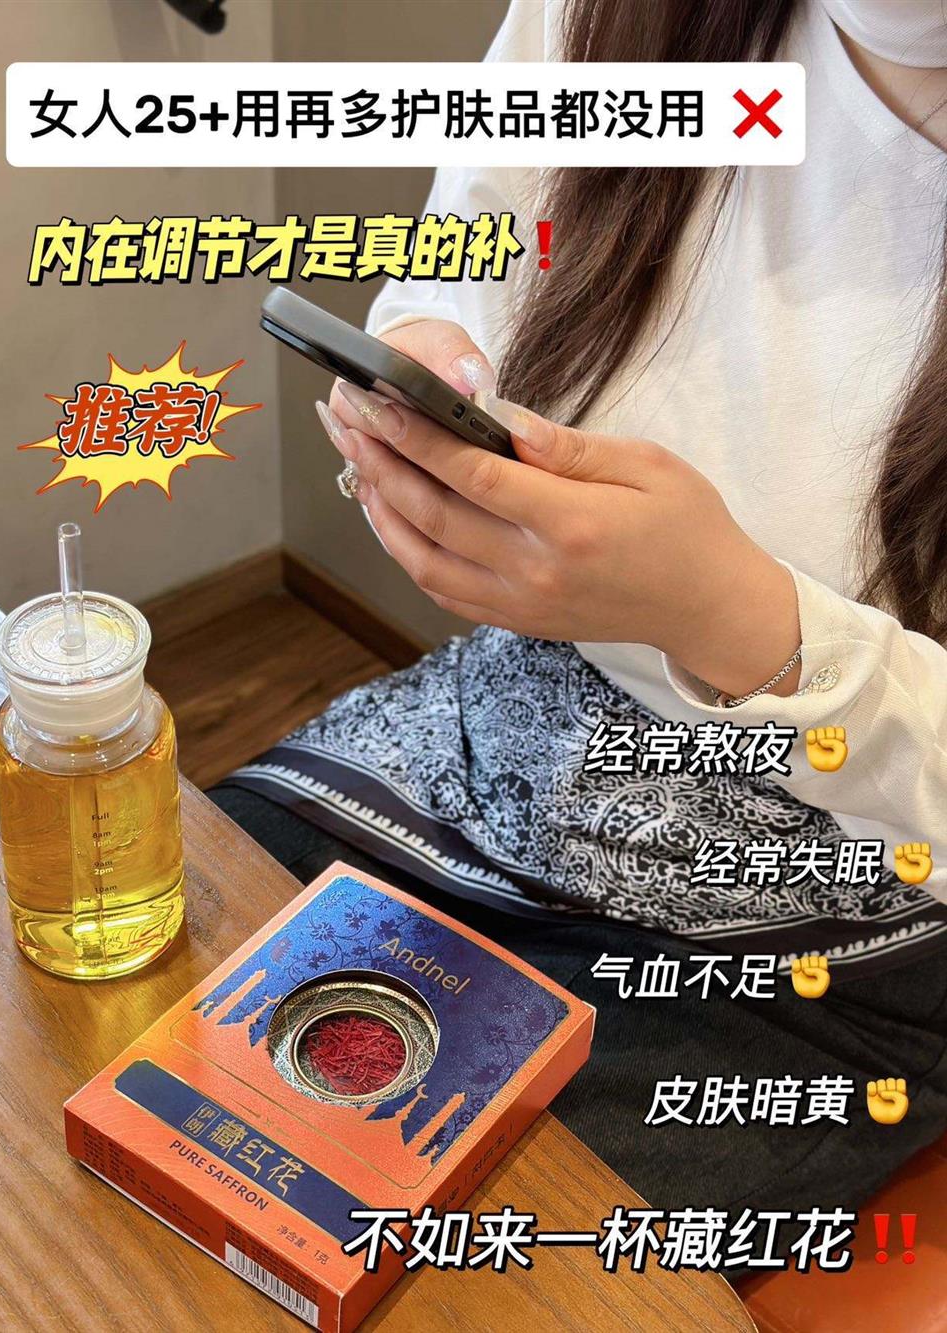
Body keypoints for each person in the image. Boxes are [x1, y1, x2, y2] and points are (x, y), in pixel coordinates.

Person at [211, 0, 947, 1258]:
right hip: (504, 737)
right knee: (158, 1025)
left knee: (408, 1245)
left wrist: (739, 622)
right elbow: (475, 246)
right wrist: (429, 364)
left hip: (840, 916)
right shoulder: (629, 16)